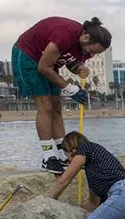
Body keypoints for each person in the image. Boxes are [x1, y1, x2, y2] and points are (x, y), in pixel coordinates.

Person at [12, 17, 111, 174]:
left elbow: (69, 61)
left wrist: (79, 68)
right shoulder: (65, 33)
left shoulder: (85, 46)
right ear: (85, 37)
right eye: (92, 51)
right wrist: (70, 88)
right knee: (45, 105)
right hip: (28, 56)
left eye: (96, 53)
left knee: (56, 106)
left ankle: (62, 152)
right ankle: (48, 157)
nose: (91, 55)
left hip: (48, 63)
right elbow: (43, 67)